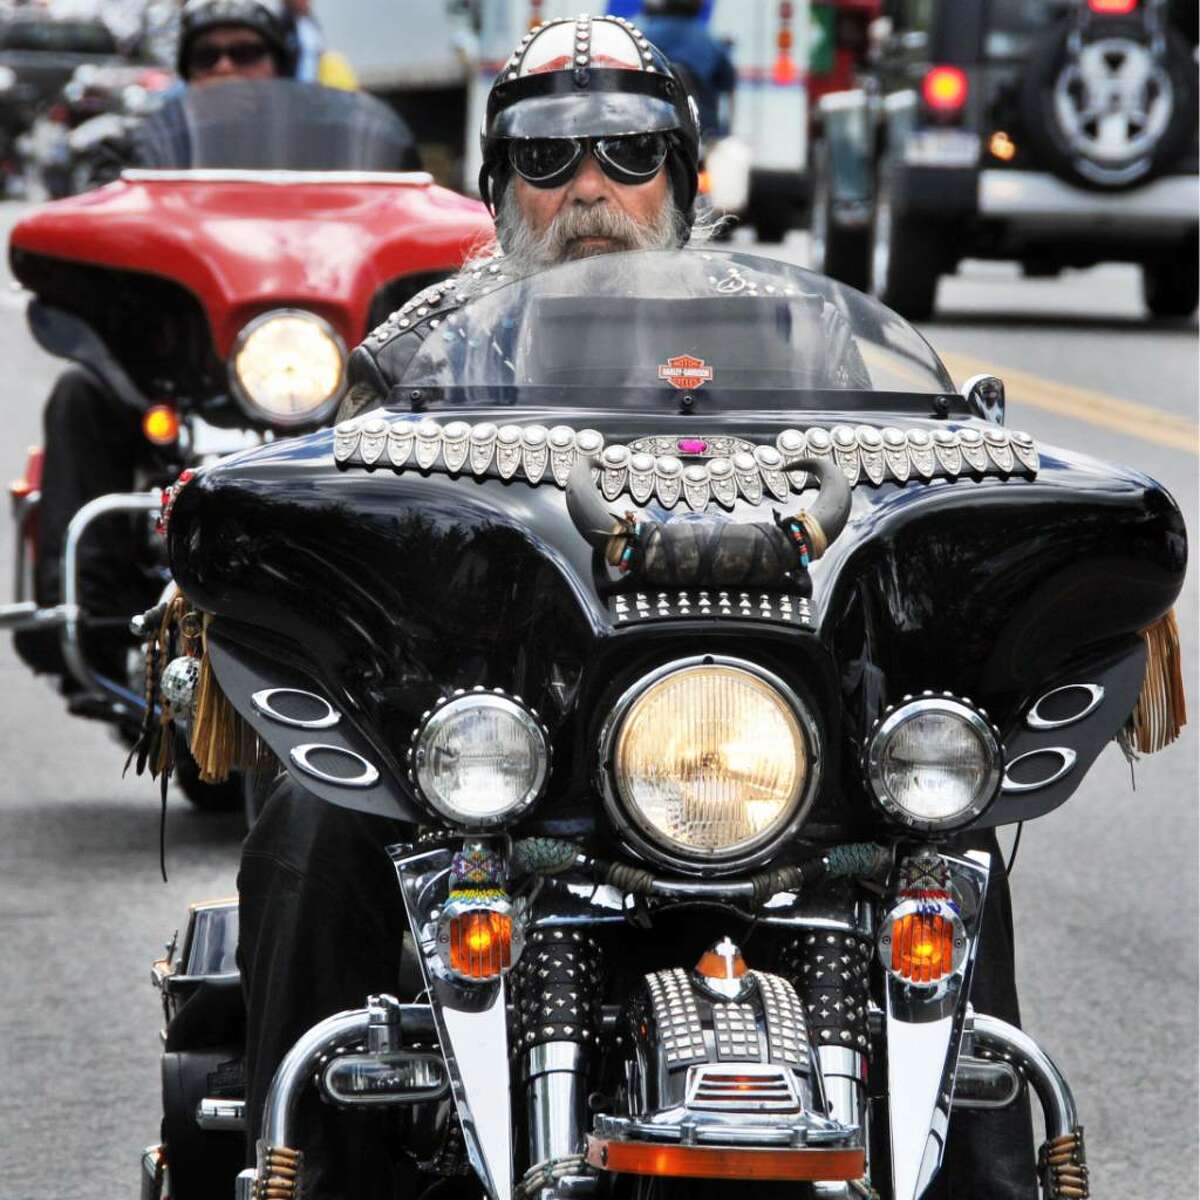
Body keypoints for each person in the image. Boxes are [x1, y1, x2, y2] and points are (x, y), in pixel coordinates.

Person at [238, 16, 1035, 1200]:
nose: (590, 187)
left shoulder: (796, 327)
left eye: (626, 150)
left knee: (948, 839)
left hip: (755, 738)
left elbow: (883, 498)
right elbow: (348, 528)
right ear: (503, 182)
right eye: (548, 159)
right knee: (314, 818)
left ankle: (984, 1176)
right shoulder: (420, 346)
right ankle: (306, 1169)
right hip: (500, 732)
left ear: (684, 171)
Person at [14, 0, 296, 685]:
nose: (228, 67)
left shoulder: (342, 157)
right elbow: (102, 236)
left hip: (303, 369)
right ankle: (89, 615)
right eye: (209, 57)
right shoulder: (146, 152)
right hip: (178, 367)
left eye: (245, 52)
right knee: (82, 395)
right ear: (186, 74)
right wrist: (113, 192)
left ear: (281, 67)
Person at [637, 0, 736, 141]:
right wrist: (725, 133)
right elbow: (728, 90)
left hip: (648, 128)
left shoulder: (642, 37)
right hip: (701, 134)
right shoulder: (712, 42)